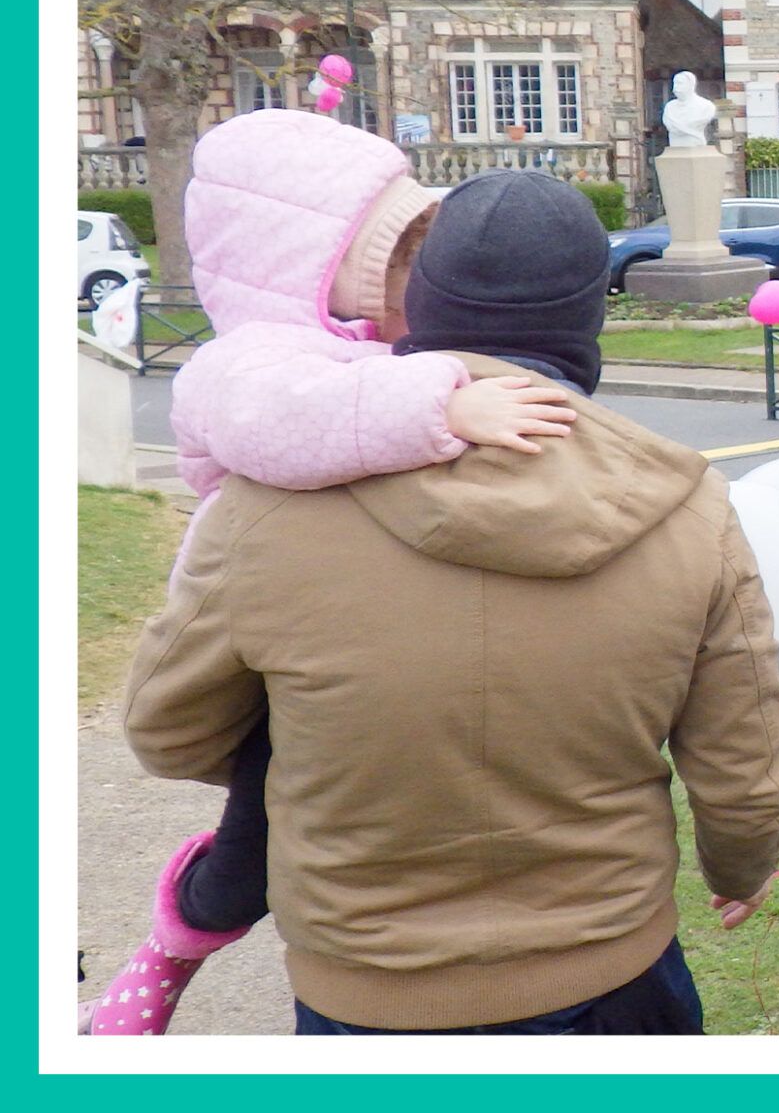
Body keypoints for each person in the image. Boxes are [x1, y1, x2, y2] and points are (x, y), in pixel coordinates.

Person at [123, 170, 779, 1035]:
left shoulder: (267, 506)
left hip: (360, 991)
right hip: (610, 972)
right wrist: (741, 869)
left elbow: (165, 727)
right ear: (590, 315)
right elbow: (745, 762)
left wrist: (344, 738)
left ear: (426, 299)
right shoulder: (689, 507)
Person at [83, 111, 577, 1035]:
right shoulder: (252, 364)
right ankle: (171, 949)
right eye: (398, 272)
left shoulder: (361, 353)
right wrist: (447, 404)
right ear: (321, 274)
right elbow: (293, 422)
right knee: (250, 853)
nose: (417, 299)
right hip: (269, 640)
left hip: (350, 629)